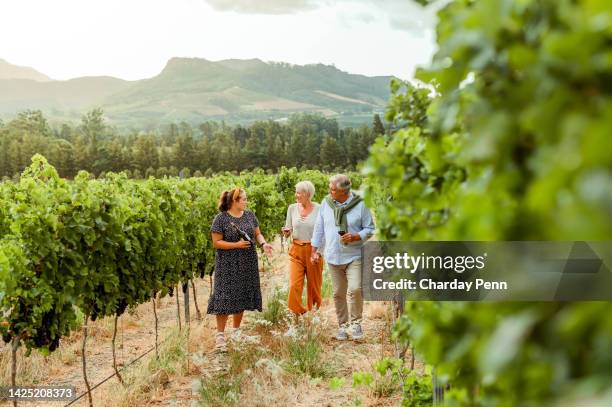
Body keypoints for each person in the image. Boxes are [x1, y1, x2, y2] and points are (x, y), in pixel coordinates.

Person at [207, 187, 273, 351]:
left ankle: (236, 331)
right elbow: (216, 242)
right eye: (243, 199)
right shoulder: (221, 219)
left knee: (242, 294)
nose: (246, 201)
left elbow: (257, 234)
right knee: (224, 296)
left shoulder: (250, 215)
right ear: (234, 201)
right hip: (227, 263)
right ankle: (220, 336)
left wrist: (264, 244)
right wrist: (235, 245)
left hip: (247, 261)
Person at [311, 174, 374, 341]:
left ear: (344, 192)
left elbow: (370, 228)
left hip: (354, 255)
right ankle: (343, 326)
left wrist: (355, 236)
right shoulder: (326, 203)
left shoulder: (360, 204)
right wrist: (314, 250)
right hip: (333, 255)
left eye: (333, 189)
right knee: (338, 293)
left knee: (355, 289)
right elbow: (319, 228)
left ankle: (356, 324)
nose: (329, 191)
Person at [283, 181, 323, 319]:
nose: (296, 195)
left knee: (314, 287)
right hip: (296, 250)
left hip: (313, 250)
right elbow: (288, 228)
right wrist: (286, 232)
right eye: (296, 192)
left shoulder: (319, 209)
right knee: (294, 284)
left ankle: (315, 314)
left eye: (299, 192)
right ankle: (298, 313)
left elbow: (323, 232)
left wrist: (318, 252)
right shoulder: (292, 208)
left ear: (307, 194)